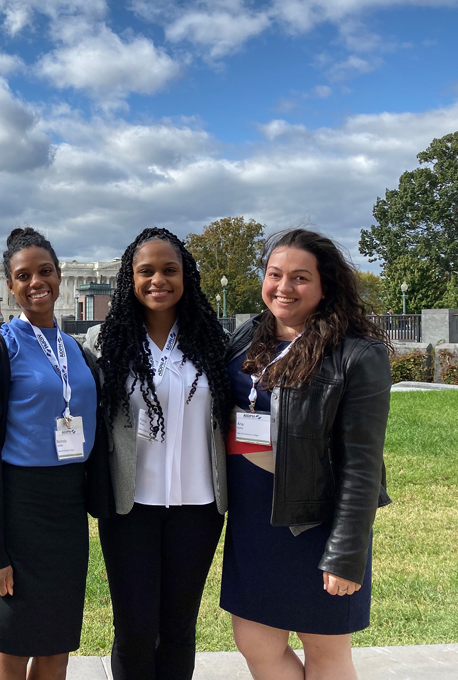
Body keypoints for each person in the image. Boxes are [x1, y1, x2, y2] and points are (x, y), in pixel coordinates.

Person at [220, 229, 391, 680]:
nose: (283, 287)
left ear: (324, 286)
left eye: (300, 277)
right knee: (255, 641)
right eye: (275, 274)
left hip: (316, 524)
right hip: (253, 520)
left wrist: (346, 552)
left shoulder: (357, 353)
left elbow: (363, 463)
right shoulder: (245, 338)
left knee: (326, 651)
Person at [85, 228, 231, 680]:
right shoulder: (102, 343)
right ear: (129, 278)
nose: (158, 280)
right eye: (145, 271)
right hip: (131, 508)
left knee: (179, 629)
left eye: (170, 270)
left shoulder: (214, 343)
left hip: (200, 507)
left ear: (186, 276)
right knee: (133, 628)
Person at [0, 227, 110, 680]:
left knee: (56, 647)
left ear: (60, 276)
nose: (36, 283)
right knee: (12, 647)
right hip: (17, 509)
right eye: (23, 275)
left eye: (44, 271)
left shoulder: (77, 352)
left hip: (66, 513)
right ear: (10, 286)